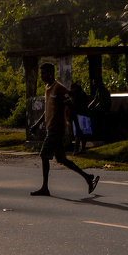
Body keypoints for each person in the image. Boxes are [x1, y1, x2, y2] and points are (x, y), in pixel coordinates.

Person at [31, 63, 98, 196]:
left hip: (57, 129)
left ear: (50, 73)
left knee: (44, 155)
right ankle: (88, 177)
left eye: (43, 73)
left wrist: (77, 127)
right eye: (41, 73)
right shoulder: (48, 88)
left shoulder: (59, 89)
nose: (42, 76)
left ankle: (45, 187)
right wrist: (37, 124)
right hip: (51, 128)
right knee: (62, 159)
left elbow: (71, 107)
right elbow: (48, 110)